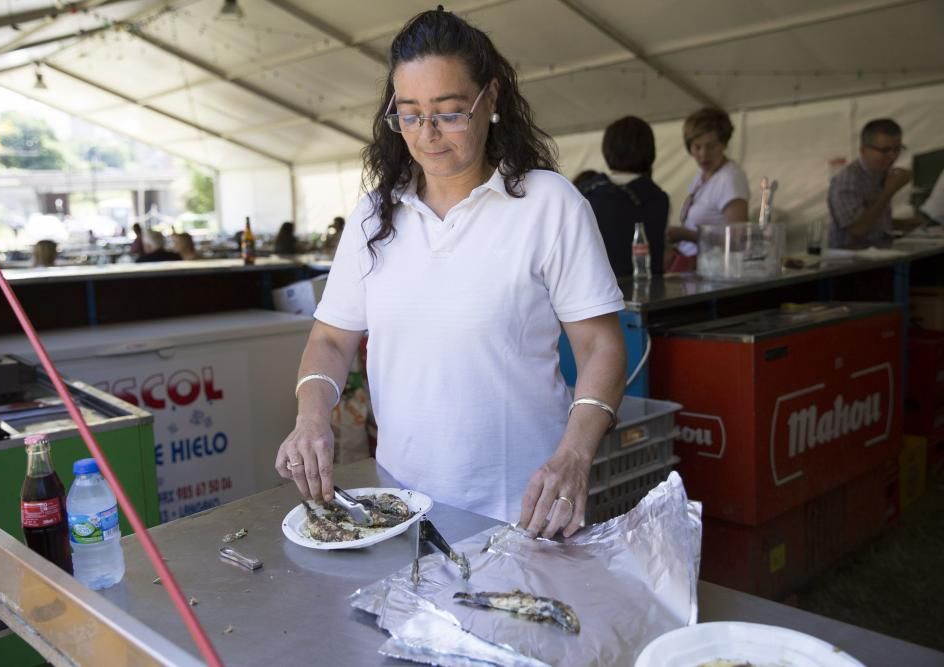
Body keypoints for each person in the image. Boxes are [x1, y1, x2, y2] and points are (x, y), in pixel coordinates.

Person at [274, 7, 626, 539]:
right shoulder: (374, 215)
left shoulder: (548, 204)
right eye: (411, 114)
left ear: (492, 100)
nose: (429, 133)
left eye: (450, 111)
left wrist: (575, 455)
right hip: (400, 508)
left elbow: (601, 346)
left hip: (525, 505)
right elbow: (330, 337)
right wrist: (310, 419)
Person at [582, 116, 669, 277]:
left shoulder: (586, 194)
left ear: (607, 151)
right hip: (649, 295)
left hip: (594, 296)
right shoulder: (657, 199)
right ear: (650, 152)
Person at [665, 108, 749, 272]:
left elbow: (738, 239)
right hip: (695, 266)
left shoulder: (729, 179)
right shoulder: (702, 175)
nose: (704, 154)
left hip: (714, 270)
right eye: (697, 147)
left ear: (724, 144)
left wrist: (686, 235)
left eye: (711, 146)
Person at [828, 118, 923, 249]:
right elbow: (858, 229)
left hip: (878, 254)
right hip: (851, 261)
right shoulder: (848, 180)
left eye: (897, 149)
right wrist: (889, 191)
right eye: (885, 150)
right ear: (863, 150)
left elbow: (876, 223)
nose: (893, 156)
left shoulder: (881, 173)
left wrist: (908, 224)